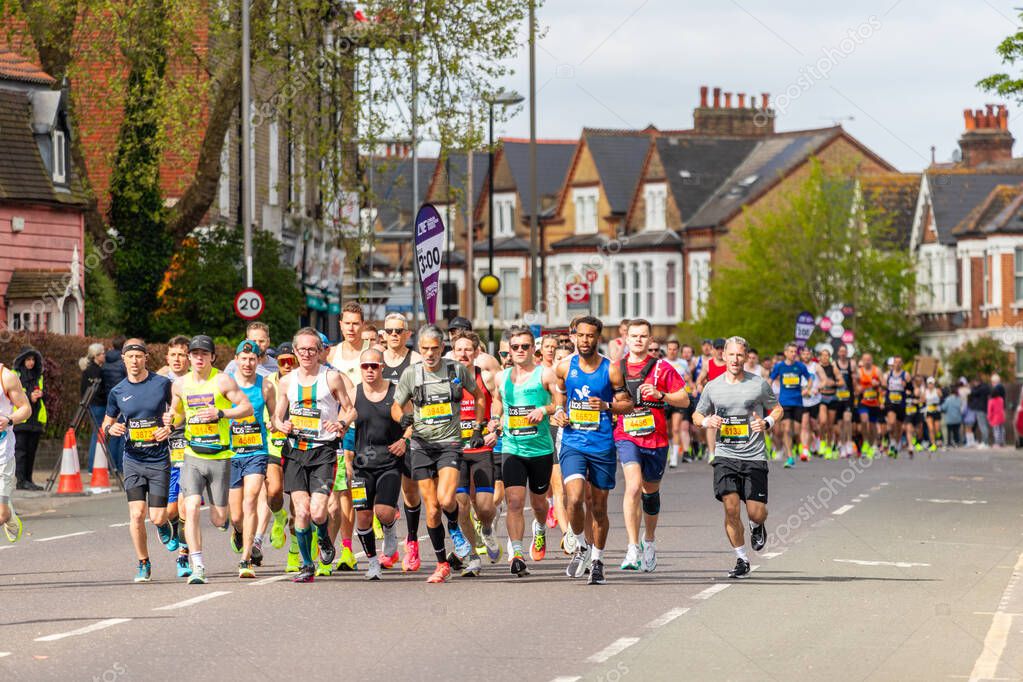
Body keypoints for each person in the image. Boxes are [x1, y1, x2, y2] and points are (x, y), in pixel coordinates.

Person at [391, 325, 483, 584]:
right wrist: (403, 418)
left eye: (434, 348)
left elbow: (479, 398)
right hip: (421, 446)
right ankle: (442, 563)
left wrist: (477, 427)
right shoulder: (412, 374)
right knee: (431, 510)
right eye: (424, 349)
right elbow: (395, 408)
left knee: (445, 499)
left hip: (449, 444)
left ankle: (453, 527)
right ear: (419, 349)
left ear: (443, 348)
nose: (429, 354)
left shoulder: (456, 370)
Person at [165, 335, 253, 584]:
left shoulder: (223, 380)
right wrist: (168, 420)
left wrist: (221, 413)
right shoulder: (180, 385)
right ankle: (198, 566)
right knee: (190, 507)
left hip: (220, 456)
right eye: (194, 353)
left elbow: (246, 408)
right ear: (189, 357)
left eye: (204, 353)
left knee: (219, 519)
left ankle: (236, 529)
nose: (199, 358)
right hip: (192, 454)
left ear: (212, 357)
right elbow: (177, 414)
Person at [552, 316, 632, 585]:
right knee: (573, 499)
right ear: (574, 336)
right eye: (581, 335)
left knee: (598, 507)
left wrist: (607, 406)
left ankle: (597, 559)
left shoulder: (611, 370)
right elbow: (560, 396)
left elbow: (627, 404)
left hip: (601, 445)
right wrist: (561, 412)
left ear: (598, 338)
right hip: (573, 442)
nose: (585, 340)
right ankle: (580, 544)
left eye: (590, 336)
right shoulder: (564, 367)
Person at [694, 336, 781, 579]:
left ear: (745, 357)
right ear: (724, 356)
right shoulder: (713, 386)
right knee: (730, 509)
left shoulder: (758, 384)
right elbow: (696, 414)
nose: (735, 359)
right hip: (725, 455)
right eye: (731, 354)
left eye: (739, 355)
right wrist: (706, 421)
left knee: (756, 512)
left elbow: (777, 408)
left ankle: (756, 525)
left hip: (754, 456)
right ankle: (742, 558)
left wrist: (767, 422)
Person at [273, 327, 357, 583]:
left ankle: (323, 539)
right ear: (295, 352)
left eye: (312, 349)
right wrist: (281, 425)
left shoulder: (331, 378)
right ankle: (307, 565)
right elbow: (277, 416)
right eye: (302, 349)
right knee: (301, 511)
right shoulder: (287, 382)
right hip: (296, 452)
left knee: (319, 512)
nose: (307, 353)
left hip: (323, 451)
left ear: (319, 351)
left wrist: (340, 424)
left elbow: (350, 410)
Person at [614, 319, 688, 573]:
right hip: (626, 435)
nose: (638, 340)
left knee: (650, 494)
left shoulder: (662, 368)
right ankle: (632, 547)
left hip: (656, 438)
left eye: (643, 336)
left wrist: (661, 395)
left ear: (650, 340)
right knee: (632, 486)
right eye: (634, 336)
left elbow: (685, 400)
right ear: (626, 338)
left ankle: (650, 540)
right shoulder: (616, 369)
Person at [101, 339, 178, 582]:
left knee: (156, 516)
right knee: (136, 514)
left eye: (139, 357)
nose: (134, 361)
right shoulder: (118, 391)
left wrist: (171, 426)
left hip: (158, 460)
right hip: (132, 459)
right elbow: (107, 422)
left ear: (146, 358)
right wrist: (110, 429)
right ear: (123, 360)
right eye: (130, 357)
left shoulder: (162, 384)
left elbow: (179, 409)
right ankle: (143, 562)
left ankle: (164, 525)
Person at [496, 326, 560, 577]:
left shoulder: (545, 374)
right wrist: (494, 418)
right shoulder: (503, 377)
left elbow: (558, 402)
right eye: (515, 347)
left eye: (525, 346)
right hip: (513, 447)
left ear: (534, 348)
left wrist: (543, 411)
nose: (520, 351)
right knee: (513, 501)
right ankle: (518, 553)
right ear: (509, 351)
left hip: (540, 448)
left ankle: (540, 528)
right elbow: (497, 401)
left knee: (539, 502)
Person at [350, 348, 408, 580]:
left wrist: (405, 440)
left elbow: (414, 420)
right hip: (361, 464)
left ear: (382, 366)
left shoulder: (395, 393)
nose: (370, 370)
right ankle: (373, 561)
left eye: (375, 365)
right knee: (363, 517)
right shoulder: (354, 393)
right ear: (360, 368)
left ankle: (390, 527)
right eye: (366, 366)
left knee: (383, 512)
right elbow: (344, 415)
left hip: (389, 462)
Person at [450, 331, 501, 576]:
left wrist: (496, 423)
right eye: (459, 349)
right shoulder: (445, 379)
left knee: (482, 508)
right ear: (452, 353)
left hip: (481, 448)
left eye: (468, 349)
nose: (463, 354)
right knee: (460, 507)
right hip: (455, 450)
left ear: (476, 352)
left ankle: (488, 528)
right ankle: (473, 557)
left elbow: (499, 402)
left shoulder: (487, 377)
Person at [227, 339, 277, 578]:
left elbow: (277, 415)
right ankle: (238, 531)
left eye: (252, 359)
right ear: (236, 359)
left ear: (258, 361)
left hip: (257, 451)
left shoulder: (266, 386)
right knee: (235, 515)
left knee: (251, 500)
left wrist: (277, 424)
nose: (248, 363)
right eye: (244, 358)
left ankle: (245, 558)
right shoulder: (226, 385)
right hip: (230, 452)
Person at [379, 313, 425, 571]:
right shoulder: (375, 359)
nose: (394, 335)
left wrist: (409, 434)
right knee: (382, 496)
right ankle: (389, 544)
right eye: (390, 330)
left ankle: (412, 542)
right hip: (380, 435)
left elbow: (422, 402)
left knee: (409, 492)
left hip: (408, 433)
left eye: (399, 330)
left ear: (407, 334)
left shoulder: (415, 360)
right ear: (383, 334)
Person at [157, 336, 191, 576]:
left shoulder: (196, 380)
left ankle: (184, 556)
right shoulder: (159, 381)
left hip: (191, 448)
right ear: (167, 358)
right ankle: (164, 525)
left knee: (185, 507)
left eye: (182, 354)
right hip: (166, 449)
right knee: (169, 511)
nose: (177, 359)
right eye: (173, 355)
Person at [0, 362, 32, 543]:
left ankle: (7, 512)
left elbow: (26, 409)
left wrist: (9, 419)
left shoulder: (6, 377)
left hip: (2, 454)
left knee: (1, 516)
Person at [769, 343, 810, 468]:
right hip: (784, 402)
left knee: (796, 431)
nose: (793, 354)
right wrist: (767, 394)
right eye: (791, 351)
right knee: (786, 429)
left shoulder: (800, 366)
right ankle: (790, 457)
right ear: (785, 353)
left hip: (798, 402)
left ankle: (796, 449)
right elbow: (770, 380)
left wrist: (807, 389)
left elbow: (810, 379)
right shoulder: (779, 366)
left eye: (794, 352)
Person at [12, 347, 46, 491]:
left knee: (31, 451)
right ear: (22, 360)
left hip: (35, 418)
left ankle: (28, 479)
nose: (31, 363)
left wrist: (39, 394)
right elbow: (13, 395)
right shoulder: (15, 375)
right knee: (21, 452)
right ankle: (21, 481)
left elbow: (42, 393)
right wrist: (29, 397)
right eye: (28, 359)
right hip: (20, 419)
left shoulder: (39, 375)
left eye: (33, 360)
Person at [663, 339, 692, 467]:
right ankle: (669, 451)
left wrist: (691, 385)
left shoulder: (683, 363)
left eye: (675, 349)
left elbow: (688, 378)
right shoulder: (662, 362)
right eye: (670, 349)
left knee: (676, 428)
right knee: (666, 429)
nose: (672, 351)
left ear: (678, 350)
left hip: (678, 398)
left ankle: (674, 456)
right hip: (665, 398)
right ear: (667, 349)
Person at [101, 336, 128, 473]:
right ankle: (121, 465)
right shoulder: (123, 363)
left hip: (110, 399)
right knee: (123, 433)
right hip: (124, 400)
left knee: (112, 433)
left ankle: (110, 466)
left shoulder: (105, 362)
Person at [80, 343, 107, 473]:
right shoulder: (98, 371)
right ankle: (94, 467)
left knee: (96, 435)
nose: (104, 355)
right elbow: (100, 390)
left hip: (90, 405)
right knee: (98, 436)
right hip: (99, 405)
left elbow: (83, 390)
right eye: (102, 353)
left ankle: (94, 466)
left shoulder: (87, 370)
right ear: (96, 356)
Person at [882, 355, 910, 458]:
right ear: (893, 364)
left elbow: (910, 389)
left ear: (901, 364)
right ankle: (892, 443)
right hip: (890, 403)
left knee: (899, 427)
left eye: (899, 362)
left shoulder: (906, 375)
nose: (897, 364)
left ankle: (896, 444)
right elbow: (883, 386)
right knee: (891, 423)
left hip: (901, 404)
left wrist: (906, 386)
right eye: (895, 362)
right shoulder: (888, 374)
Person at [855, 354, 882, 458]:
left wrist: (878, 383)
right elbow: (856, 388)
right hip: (863, 402)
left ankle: (874, 445)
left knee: (872, 425)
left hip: (874, 402)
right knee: (864, 421)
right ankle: (866, 443)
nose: (867, 361)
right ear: (862, 361)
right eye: (865, 360)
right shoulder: (859, 372)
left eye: (869, 359)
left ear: (872, 360)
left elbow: (884, 384)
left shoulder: (877, 370)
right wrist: (861, 388)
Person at [923, 377, 943, 451]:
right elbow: (923, 400)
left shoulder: (937, 391)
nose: (930, 385)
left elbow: (942, 398)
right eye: (929, 383)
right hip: (929, 411)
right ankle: (933, 444)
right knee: (931, 429)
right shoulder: (925, 392)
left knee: (937, 429)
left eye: (932, 383)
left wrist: (937, 404)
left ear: (934, 384)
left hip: (936, 411)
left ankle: (939, 440)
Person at [989, 374, 1006, 447]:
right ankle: (1002, 442)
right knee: (1001, 429)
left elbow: (990, 410)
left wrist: (989, 417)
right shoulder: (1001, 399)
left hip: (995, 417)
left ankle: (997, 443)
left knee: (996, 430)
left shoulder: (991, 400)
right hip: (1001, 415)